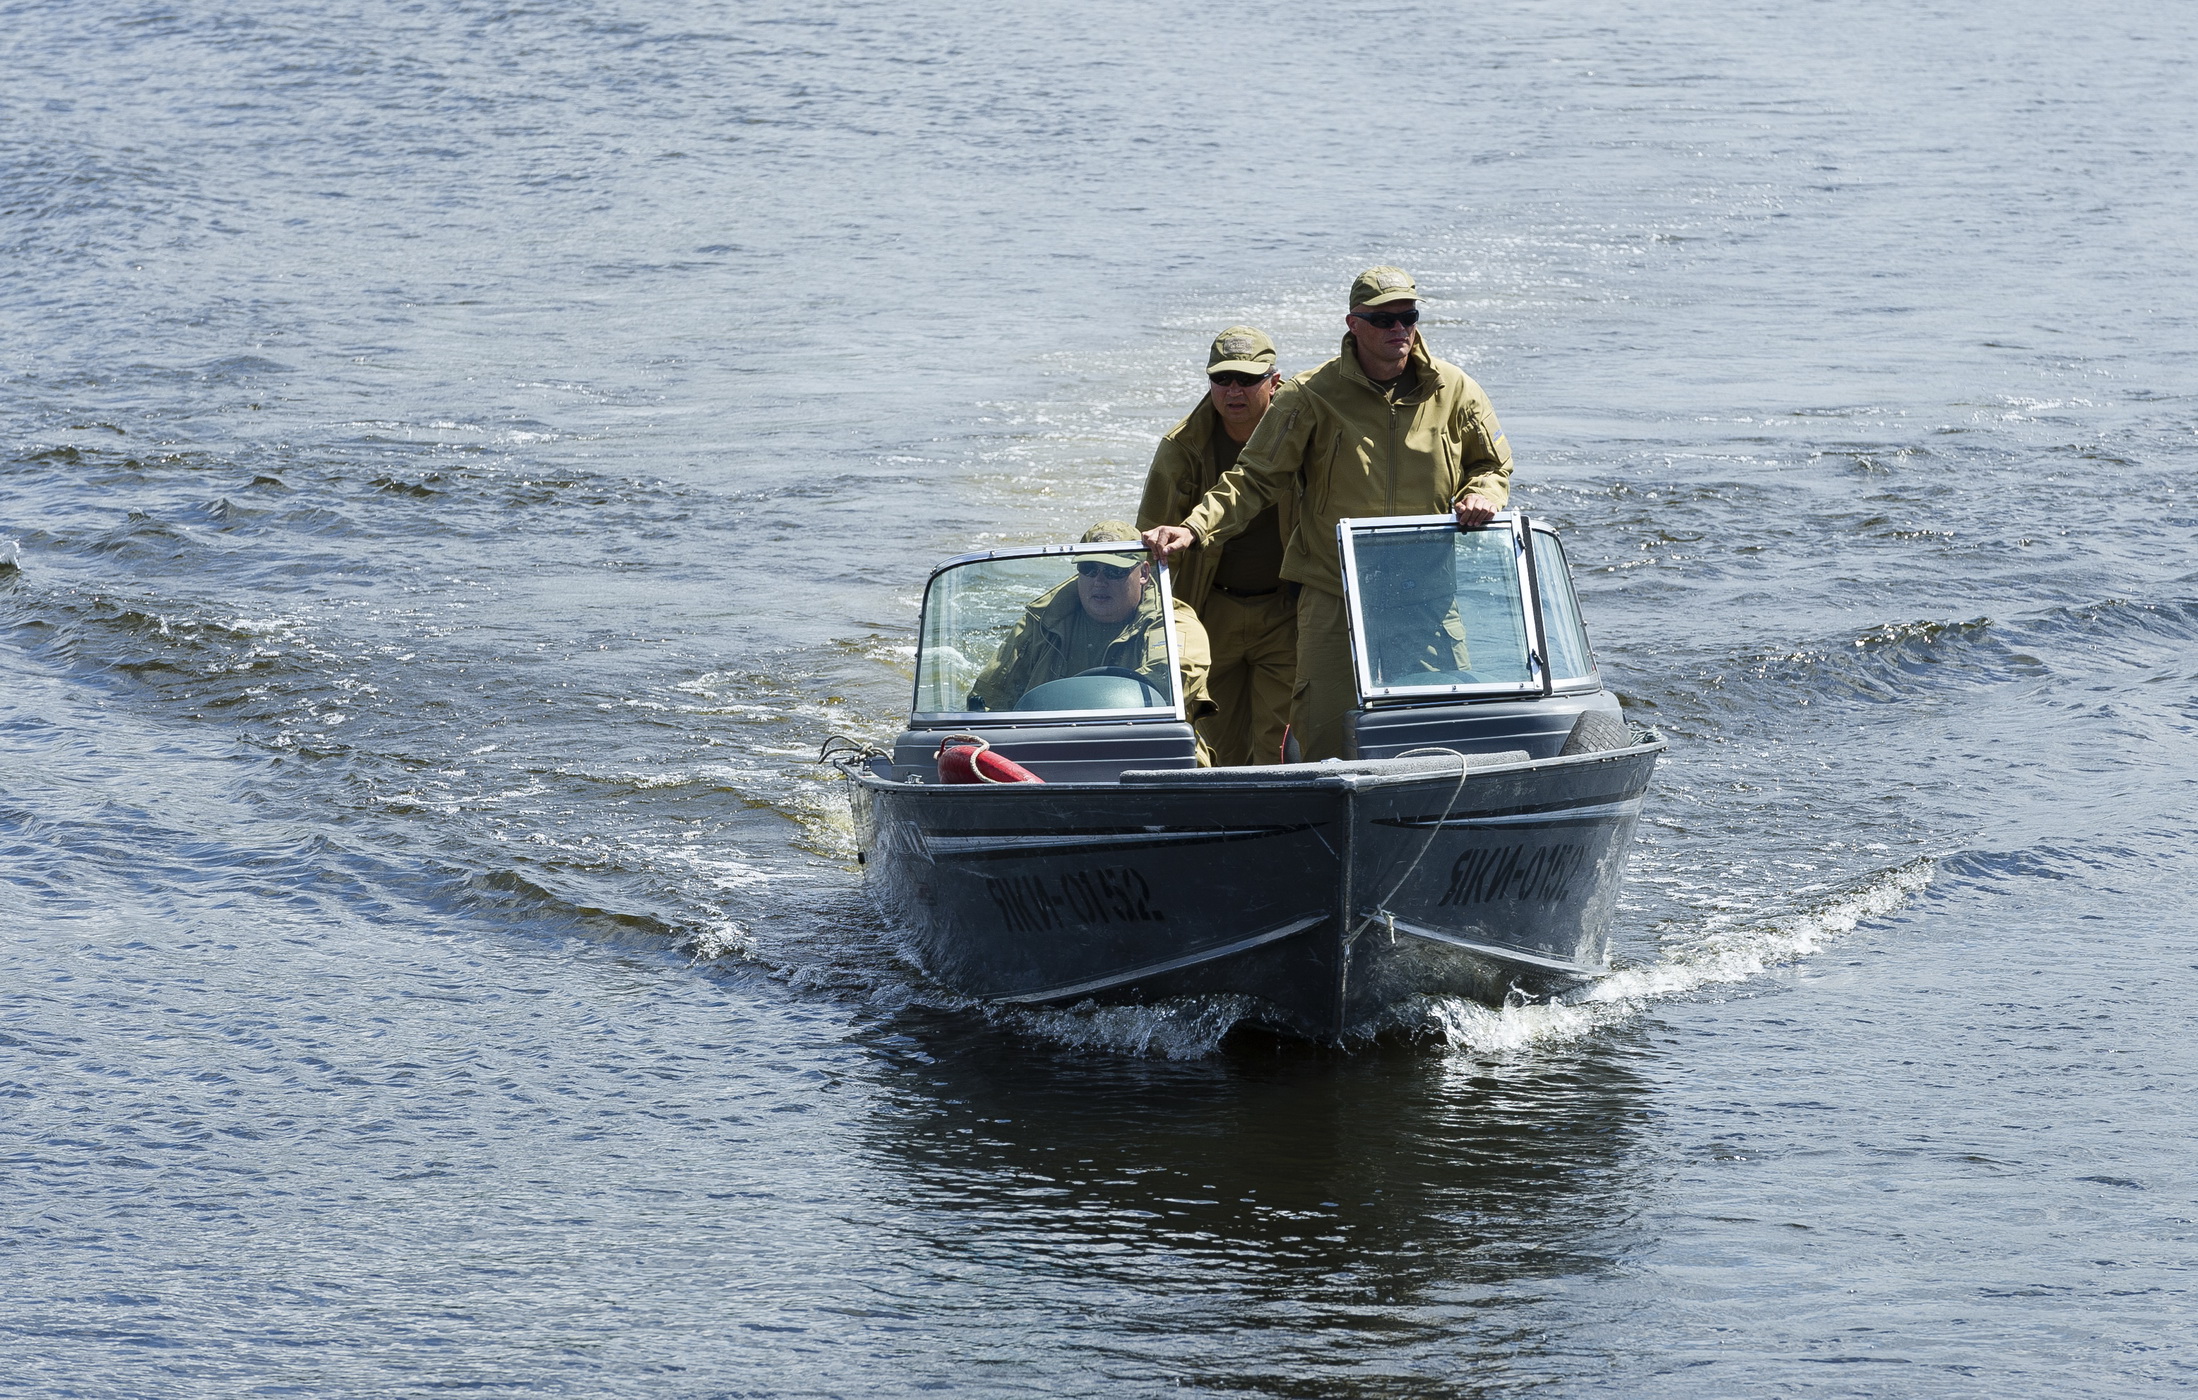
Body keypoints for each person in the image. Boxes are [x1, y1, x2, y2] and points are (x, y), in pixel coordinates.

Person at [1142, 267, 1513, 761]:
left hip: (1424, 591)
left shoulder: (1455, 389)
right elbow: (1254, 477)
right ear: (1353, 324)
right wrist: (1193, 528)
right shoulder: (1310, 393)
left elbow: (1492, 464)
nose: (1399, 329)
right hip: (1331, 592)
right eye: (1384, 320)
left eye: (1408, 316)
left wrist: (1482, 493)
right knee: (1322, 737)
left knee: (1434, 729)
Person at [1135, 326, 1296, 766]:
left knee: (1277, 745)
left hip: (1286, 609)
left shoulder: (1301, 434)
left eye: (1247, 379)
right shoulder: (1182, 446)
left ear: (1274, 382)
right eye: (1222, 378)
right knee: (1215, 740)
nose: (1233, 390)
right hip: (1211, 611)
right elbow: (1149, 537)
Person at [968, 523, 1216, 752]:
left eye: (1113, 571)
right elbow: (990, 698)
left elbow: (1167, 685)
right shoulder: (1043, 619)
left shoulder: (1174, 623)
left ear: (1143, 573)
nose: (1099, 581)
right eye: (1088, 569)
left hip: (1146, 750)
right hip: (1046, 747)